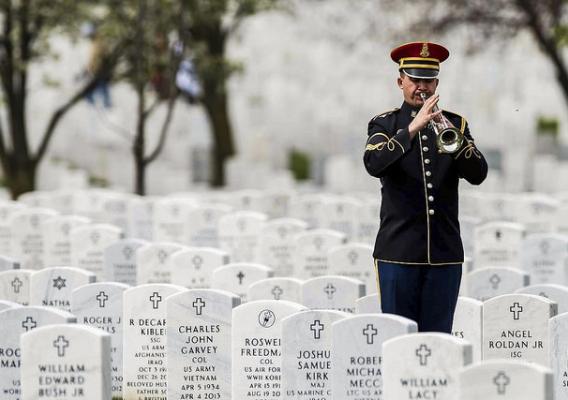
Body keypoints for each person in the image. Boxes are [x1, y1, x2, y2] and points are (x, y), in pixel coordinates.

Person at [363, 41, 488, 333]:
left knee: (439, 340)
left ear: (437, 83)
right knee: (398, 339)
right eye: (415, 80)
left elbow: (478, 173)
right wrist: (411, 129)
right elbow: (373, 163)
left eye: (428, 80)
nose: (422, 87)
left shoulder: (456, 123)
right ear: (400, 81)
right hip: (398, 253)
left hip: (444, 254)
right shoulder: (385, 124)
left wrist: (452, 136)